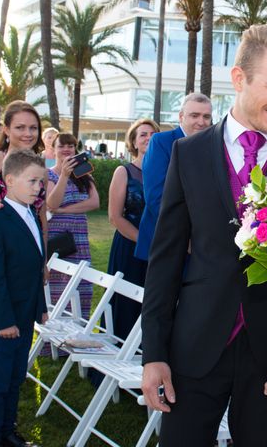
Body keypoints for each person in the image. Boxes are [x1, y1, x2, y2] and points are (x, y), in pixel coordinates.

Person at [140, 25, 267, 446]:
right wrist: (154, 354)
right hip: (195, 344)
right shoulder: (189, 153)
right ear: (239, 79)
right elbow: (165, 257)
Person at [0, 150, 47, 447]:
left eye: (40, 182)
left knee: (16, 376)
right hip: (4, 319)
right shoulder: (0, 218)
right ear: (10, 179)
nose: (38, 187)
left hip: (25, 314)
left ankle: (8, 431)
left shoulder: (31, 214)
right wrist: (3, 320)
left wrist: (40, 307)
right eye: (32, 181)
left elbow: (34, 266)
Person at [134, 93, 212, 261]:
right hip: (166, 242)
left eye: (206, 116)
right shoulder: (161, 141)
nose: (201, 121)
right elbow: (156, 197)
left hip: (203, 246)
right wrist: (186, 239)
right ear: (181, 116)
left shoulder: (213, 146)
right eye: (194, 115)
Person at [107, 119, 159, 340]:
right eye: (143, 134)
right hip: (130, 245)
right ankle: (119, 351)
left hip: (160, 247)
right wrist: (144, 241)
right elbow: (115, 217)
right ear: (134, 142)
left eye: (152, 134)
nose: (148, 138)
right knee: (127, 300)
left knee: (154, 301)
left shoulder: (166, 171)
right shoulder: (124, 171)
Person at [45, 133, 99, 324]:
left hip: (80, 237)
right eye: (62, 146)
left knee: (81, 286)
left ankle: (77, 333)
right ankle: (53, 340)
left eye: (71, 146)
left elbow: (94, 203)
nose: (66, 150)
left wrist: (61, 209)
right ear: (53, 149)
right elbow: (51, 203)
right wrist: (64, 175)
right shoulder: (49, 174)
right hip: (58, 236)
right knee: (58, 286)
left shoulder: (83, 174)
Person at [0, 101, 47, 228]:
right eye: (20, 127)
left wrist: (42, 247)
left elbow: (42, 217)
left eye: (33, 128)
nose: (28, 134)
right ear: (6, 130)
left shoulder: (42, 170)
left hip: (30, 241)